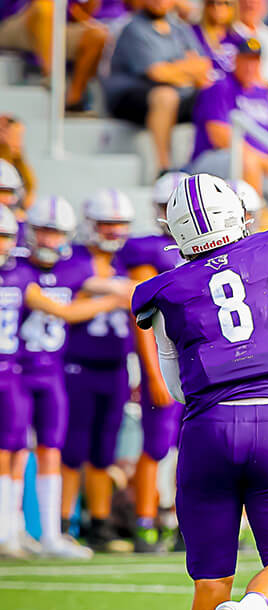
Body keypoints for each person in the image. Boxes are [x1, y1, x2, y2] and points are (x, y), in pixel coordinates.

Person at [131, 174, 268, 610]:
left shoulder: (162, 292)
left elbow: (175, 388)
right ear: (236, 214)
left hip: (208, 428)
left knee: (211, 577)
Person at [0, 205, 126, 559]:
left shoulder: (74, 267)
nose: (49, 239)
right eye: (43, 230)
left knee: (51, 449)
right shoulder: (18, 268)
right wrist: (112, 301)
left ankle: (50, 534)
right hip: (18, 371)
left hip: (51, 371)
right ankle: (9, 530)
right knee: (13, 449)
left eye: (56, 232)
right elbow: (68, 311)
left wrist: (125, 292)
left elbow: (105, 286)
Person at [59, 190, 136, 553]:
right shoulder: (75, 261)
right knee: (73, 447)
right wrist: (116, 295)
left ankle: (100, 523)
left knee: (105, 450)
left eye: (119, 224)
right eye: (106, 224)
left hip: (115, 368)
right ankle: (62, 523)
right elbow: (72, 302)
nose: (113, 232)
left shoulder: (123, 264)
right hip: (78, 366)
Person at [117, 172, 185, 552]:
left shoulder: (202, 249)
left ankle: (179, 521)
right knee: (156, 445)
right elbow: (143, 315)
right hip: (167, 357)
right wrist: (155, 371)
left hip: (198, 359)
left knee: (189, 445)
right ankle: (145, 520)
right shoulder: (149, 251)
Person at [104, 0, 212, 175]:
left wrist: (174, 70)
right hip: (129, 97)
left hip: (176, 93)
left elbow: (203, 65)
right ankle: (163, 168)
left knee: (213, 92)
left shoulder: (179, 28)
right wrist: (186, 70)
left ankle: (207, 164)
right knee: (165, 95)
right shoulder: (134, 29)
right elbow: (156, 73)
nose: (159, 2)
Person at [189, 36, 268, 200]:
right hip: (213, 159)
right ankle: (254, 220)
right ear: (235, 59)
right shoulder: (220, 88)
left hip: (260, 162)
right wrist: (264, 161)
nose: (250, 66)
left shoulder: (265, 95)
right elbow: (220, 137)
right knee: (248, 162)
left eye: (254, 60)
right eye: (245, 60)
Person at [0, 0, 107, 110]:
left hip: (55, 26)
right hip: (13, 20)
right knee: (44, 6)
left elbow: (80, 13)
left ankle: (73, 100)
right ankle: (52, 77)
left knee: (97, 37)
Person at [190, 0, 242, 80]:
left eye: (225, 3)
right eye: (211, 2)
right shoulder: (191, 33)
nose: (216, 7)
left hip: (232, 90)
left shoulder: (238, 40)